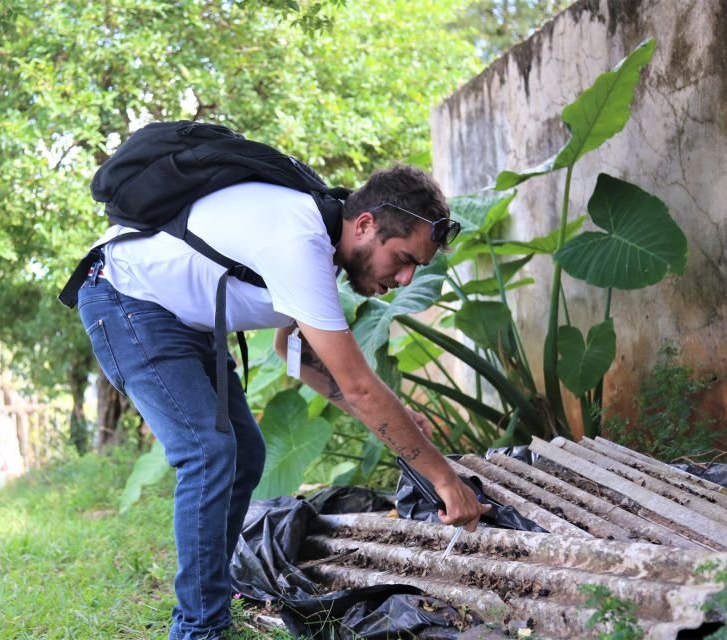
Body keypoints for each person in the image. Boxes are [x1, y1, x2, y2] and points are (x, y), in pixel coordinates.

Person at [76, 164, 491, 640]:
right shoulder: (300, 241)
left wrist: (399, 428)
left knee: (246, 454)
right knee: (208, 454)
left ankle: (210, 595)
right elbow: (357, 385)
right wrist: (445, 479)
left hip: (179, 319)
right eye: (401, 258)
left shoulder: (323, 244)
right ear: (366, 225)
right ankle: (199, 628)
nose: (404, 277)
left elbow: (292, 353)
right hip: (124, 298)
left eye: (416, 266)